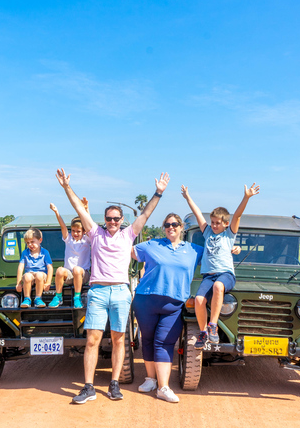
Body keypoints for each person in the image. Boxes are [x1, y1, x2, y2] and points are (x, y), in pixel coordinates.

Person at [56, 168, 169, 404]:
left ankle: (114, 384)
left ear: (122, 221)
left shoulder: (128, 235)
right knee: (92, 340)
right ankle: (88, 387)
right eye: (109, 218)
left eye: (117, 219)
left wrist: (158, 193)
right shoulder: (95, 234)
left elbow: (145, 215)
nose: (113, 222)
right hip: (97, 291)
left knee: (119, 340)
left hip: (120, 291)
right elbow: (78, 208)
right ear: (104, 220)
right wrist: (66, 187)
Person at [131, 213, 202, 403]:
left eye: (175, 224)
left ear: (182, 228)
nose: (171, 227)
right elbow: (124, 250)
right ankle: (150, 379)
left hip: (174, 304)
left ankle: (163, 387)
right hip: (145, 299)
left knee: (164, 342)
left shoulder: (194, 250)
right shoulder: (151, 244)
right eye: (167, 224)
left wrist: (233, 249)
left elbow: (215, 254)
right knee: (147, 338)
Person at [181, 183, 260, 348]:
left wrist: (246, 197)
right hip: (208, 276)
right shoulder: (208, 232)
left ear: (225, 223)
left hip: (225, 275)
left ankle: (213, 326)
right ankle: (203, 332)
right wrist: (188, 198)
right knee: (199, 299)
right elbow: (197, 213)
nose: (214, 225)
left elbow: (237, 216)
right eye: (212, 222)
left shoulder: (229, 234)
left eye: (217, 223)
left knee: (218, 286)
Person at [49, 203, 91, 309]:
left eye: (78, 231)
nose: (75, 233)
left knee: (77, 269)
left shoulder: (86, 240)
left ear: (84, 231)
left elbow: (90, 226)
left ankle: (77, 297)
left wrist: (86, 210)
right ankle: (58, 296)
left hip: (83, 274)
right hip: (69, 275)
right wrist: (56, 212)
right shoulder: (68, 240)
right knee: (59, 270)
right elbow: (63, 226)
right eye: (73, 231)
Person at [15, 227, 54, 308]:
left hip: (42, 274)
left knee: (39, 275)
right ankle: (27, 299)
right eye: (27, 243)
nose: (30, 245)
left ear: (40, 240)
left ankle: (38, 298)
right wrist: (18, 283)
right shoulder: (25, 253)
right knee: (27, 276)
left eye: (32, 242)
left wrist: (48, 282)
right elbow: (21, 267)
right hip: (30, 274)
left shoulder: (45, 252)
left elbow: (50, 267)